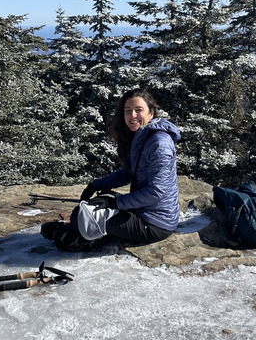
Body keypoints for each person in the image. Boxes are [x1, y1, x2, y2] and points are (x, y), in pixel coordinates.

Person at [43, 87, 181, 252]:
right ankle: (78, 228)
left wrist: (117, 202)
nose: (132, 116)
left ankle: (78, 233)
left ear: (151, 113)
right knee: (97, 202)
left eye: (139, 110)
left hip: (156, 223)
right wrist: (97, 184)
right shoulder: (143, 136)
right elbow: (127, 173)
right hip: (143, 210)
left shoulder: (159, 143)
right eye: (128, 111)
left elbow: (156, 191)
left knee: (88, 216)